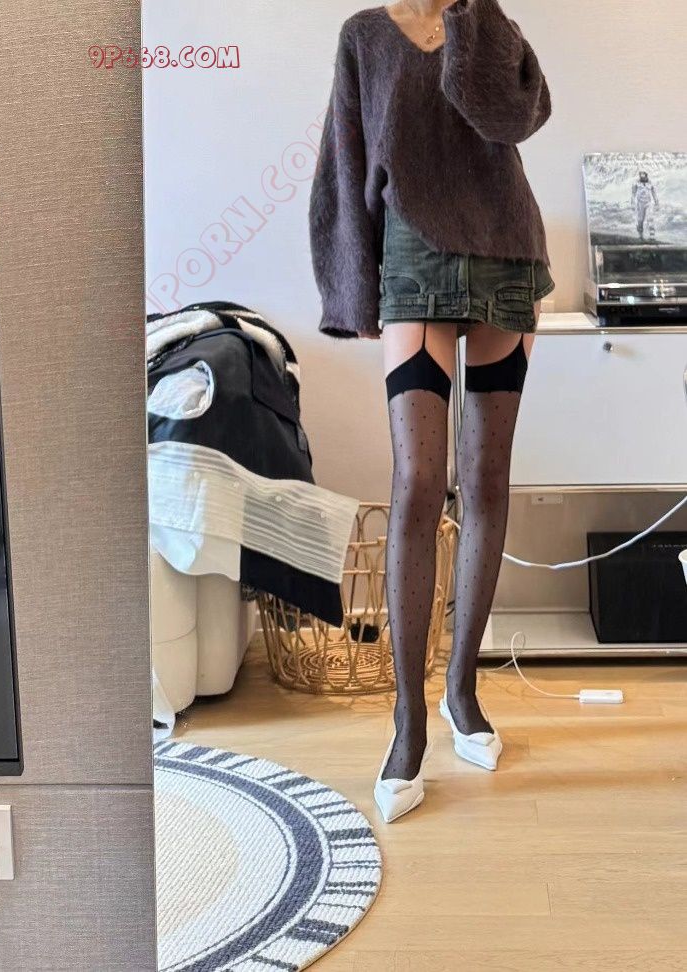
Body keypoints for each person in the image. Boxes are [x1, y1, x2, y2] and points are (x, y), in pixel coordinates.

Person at [308, 0, 555, 823]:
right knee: (418, 481)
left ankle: (462, 691)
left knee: (485, 478)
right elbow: (345, 162)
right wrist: (351, 289)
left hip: (508, 254)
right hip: (412, 258)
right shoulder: (364, 36)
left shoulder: (486, 22)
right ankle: (407, 719)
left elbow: (516, 116)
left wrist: (468, 21)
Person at [632, 171, 659, 242]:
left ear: (646, 176)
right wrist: (632, 203)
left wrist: (657, 203)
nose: (642, 178)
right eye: (641, 177)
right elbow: (633, 194)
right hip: (640, 204)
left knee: (650, 218)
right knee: (640, 220)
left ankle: (652, 236)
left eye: (644, 177)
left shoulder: (651, 183)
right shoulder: (636, 183)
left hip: (648, 203)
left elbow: (654, 193)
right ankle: (640, 235)